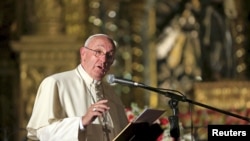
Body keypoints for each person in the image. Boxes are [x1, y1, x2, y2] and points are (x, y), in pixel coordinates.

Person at [26, 34, 129, 141]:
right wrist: (81, 122)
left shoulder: (111, 92)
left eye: (110, 55)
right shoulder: (56, 83)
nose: (104, 60)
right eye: (98, 52)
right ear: (83, 53)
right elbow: (42, 134)